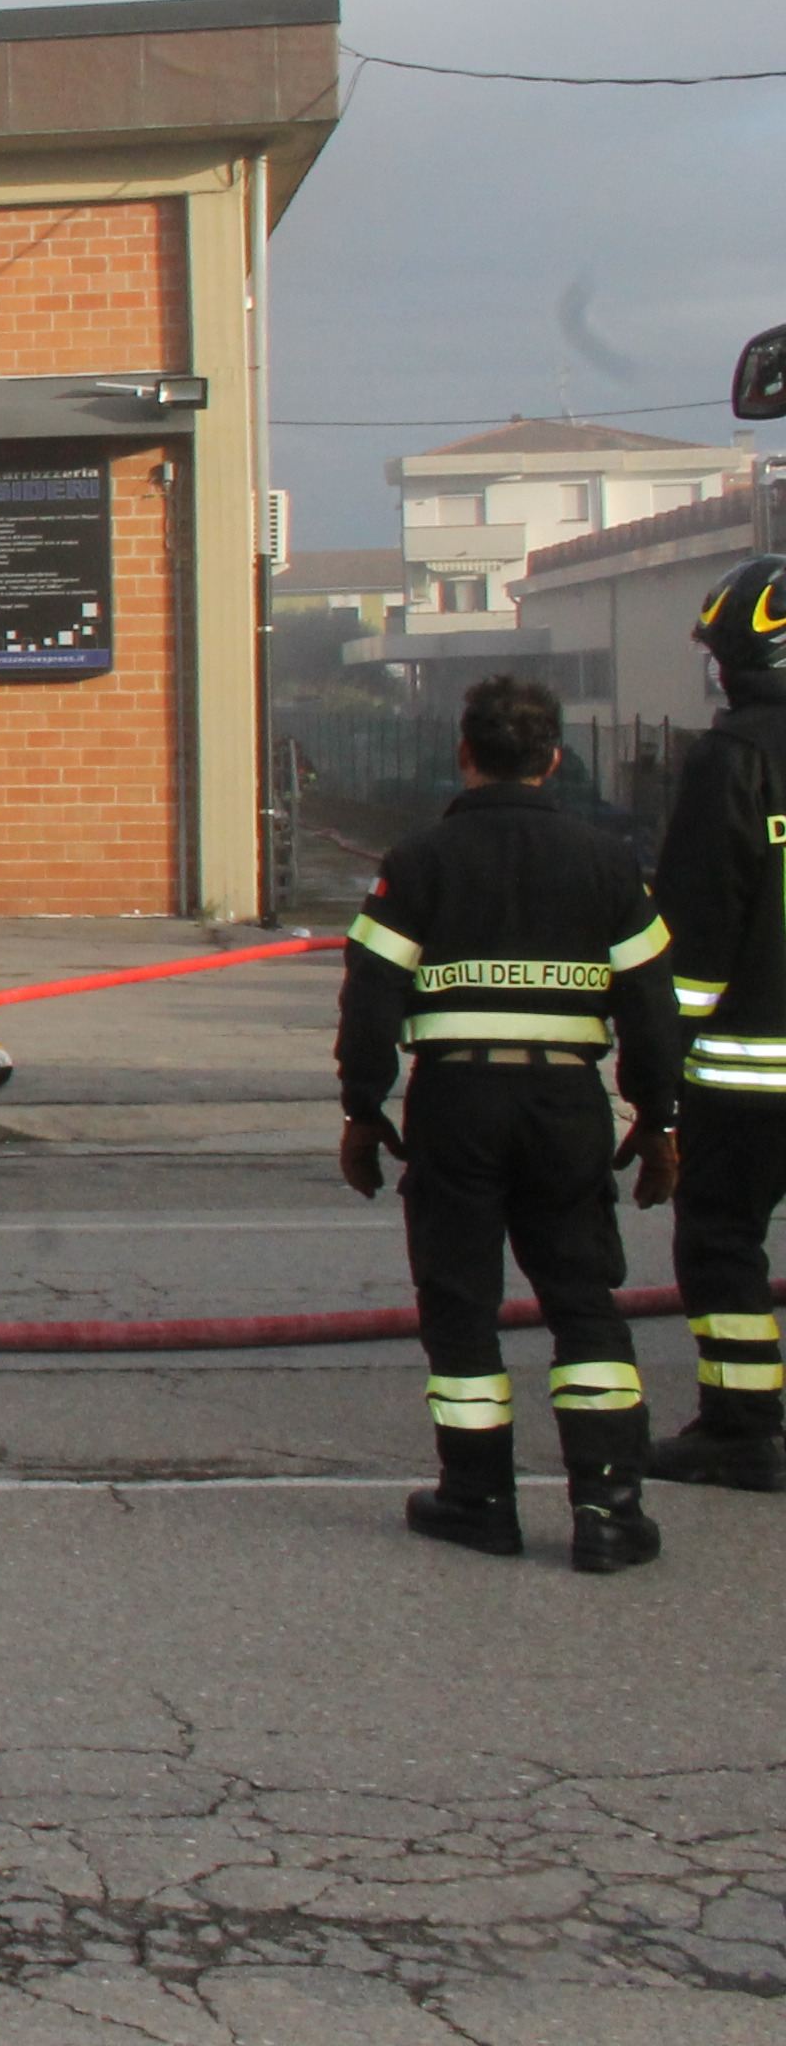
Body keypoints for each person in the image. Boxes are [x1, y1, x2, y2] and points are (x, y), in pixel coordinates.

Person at [335, 673, 682, 1572]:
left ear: (465, 754)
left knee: (460, 1306)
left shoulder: (418, 863)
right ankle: (610, 1510)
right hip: (566, 1108)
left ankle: (477, 1498)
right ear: (554, 760)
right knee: (583, 1302)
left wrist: (363, 1110)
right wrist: (657, 1118)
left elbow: (371, 996)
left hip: (455, 1106)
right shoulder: (608, 864)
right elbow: (651, 1003)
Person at [650, 550, 786, 1491]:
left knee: (723, 1238)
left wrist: (660, 1067)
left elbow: (697, 930)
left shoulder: (733, 759)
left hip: (751, 1074)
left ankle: (742, 1428)